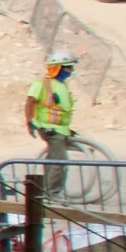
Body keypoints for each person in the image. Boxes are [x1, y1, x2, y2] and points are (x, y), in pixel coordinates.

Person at [23, 50, 82, 186]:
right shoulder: (42, 83)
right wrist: (30, 121)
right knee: (59, 162)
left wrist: (67, 129)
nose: (70, 70)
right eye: (68, 67)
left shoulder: (63, 85)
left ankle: (46, 191)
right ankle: (52, 194)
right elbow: (30, 101)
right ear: (58, 68)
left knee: (54, 160)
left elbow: (61, 109)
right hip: (49, 129)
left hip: (60, 129)